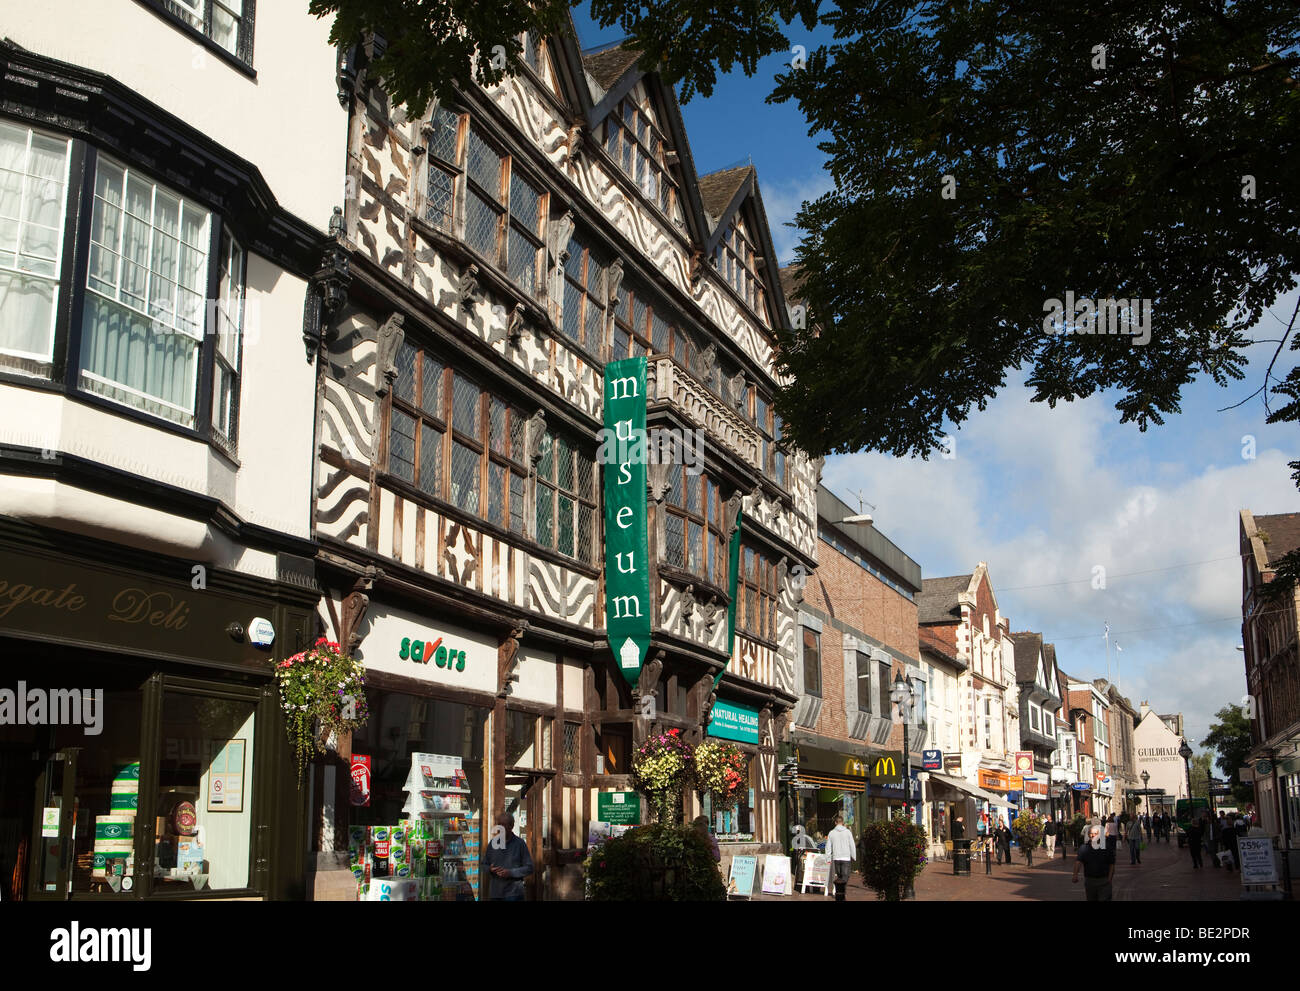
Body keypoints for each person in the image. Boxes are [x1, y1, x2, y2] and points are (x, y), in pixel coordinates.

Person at [480, 812, 534, 901]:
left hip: (514, 894)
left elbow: (529, 868)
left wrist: (511, 873)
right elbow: (483, 865)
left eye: (503, 825)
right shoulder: (492, 844)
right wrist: (490, 869)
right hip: (495, 894)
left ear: (511, 826)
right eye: (499, 824)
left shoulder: (520, 844)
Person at [1073, 824, 1116, 901]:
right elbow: (1078, 862)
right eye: (1091, 833)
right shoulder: (1084, 848)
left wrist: (1109, 879)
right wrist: (1075, 874)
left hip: (1104, 881)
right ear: (1088, 835)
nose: (1093, 835)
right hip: (1090, 881)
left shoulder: (1106, 847)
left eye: (1095, 834)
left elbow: (1111, 864)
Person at [825, 814, 856, 902]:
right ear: (842, 823)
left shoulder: (831, 833)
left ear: (835, 823)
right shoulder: (848, 832)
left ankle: (840, 893)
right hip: (846, 857)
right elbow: (852, 845)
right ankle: (842, 893)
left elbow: (828, 847)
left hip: (836, 857)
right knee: (845, 876)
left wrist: (828, 857)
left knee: (839, 876)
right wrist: (853, 856)